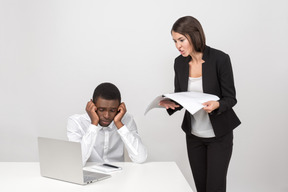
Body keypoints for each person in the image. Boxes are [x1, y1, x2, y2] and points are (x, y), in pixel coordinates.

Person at [159, 16, 241, 192]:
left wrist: (217, 105)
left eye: (181, 40)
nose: (178, 46)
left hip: (219, 137)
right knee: (201, 188)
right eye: (174, 41)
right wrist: (172, 103)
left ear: (195, 35)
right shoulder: (179, 63)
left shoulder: (220, 59)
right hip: (194, 136)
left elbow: (231, 98)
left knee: (215, 188)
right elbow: (183, 97)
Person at [67, 82, 147, 165]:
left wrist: (119, 123)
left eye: (112, 110)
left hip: (119, 173)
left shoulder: (127, 120)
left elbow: (140, 158)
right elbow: (77, 162)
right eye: (101, 110)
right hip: (90, 173)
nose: (107, 116)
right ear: (92, 105)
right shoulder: (76, 122)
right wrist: (94, 124)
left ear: (119, 108)